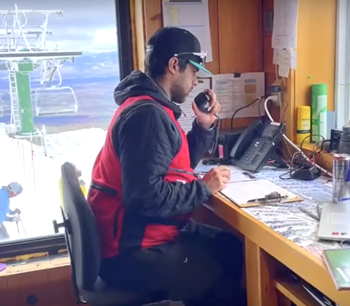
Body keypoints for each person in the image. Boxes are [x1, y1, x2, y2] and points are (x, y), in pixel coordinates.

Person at [88, 27, 245, 305]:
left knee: (230, 246)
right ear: (174, 65)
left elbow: (173, 165)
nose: (196, 80)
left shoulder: (146, 106)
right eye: (194, 71)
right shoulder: (149, 116)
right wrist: (203, 188)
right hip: (131, 252)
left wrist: (203, 127)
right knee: (224, 271)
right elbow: (144, 196)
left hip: (133, 238)